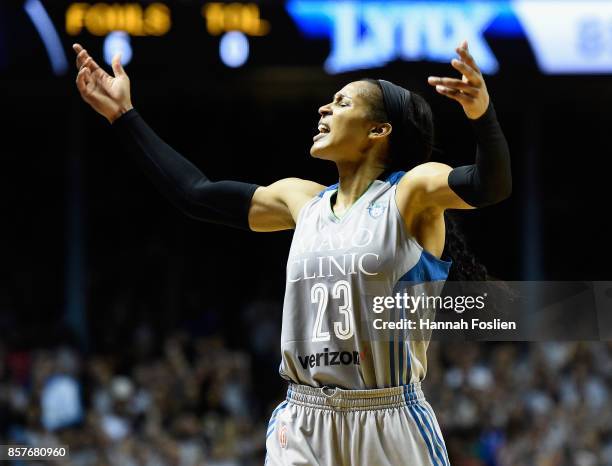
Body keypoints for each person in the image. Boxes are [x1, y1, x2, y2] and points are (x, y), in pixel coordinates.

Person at [73, 39, 511, 465]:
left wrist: (482, 115)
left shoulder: (411, 194)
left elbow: (490, 187)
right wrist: (123, 115)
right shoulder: (300, 201)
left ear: (378, 131)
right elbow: (195, 194)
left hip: (388, 419)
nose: (324, 108)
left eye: (342, 103)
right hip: (303, 419)